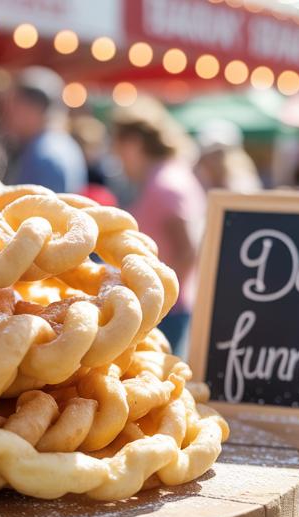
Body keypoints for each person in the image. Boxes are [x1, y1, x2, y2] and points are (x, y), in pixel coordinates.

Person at [110, 96, 203, 357]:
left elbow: (188, 251)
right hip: (163, 309)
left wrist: (161, 303)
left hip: (166, 314)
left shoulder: (166, 184)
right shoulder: (167, 176)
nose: (117, 159)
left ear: (133, 143)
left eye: (118, 148)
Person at [0, 67, 86, 193]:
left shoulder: (45, 155)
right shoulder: (62, 143)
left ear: (31, 109)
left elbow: (38, 209)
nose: (6, 114)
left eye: (13, 106)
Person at [194, 119, 261, 193]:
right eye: (212, 153)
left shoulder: (244, 184)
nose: (217, 159)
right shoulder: (195, 181)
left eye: (222, 152)